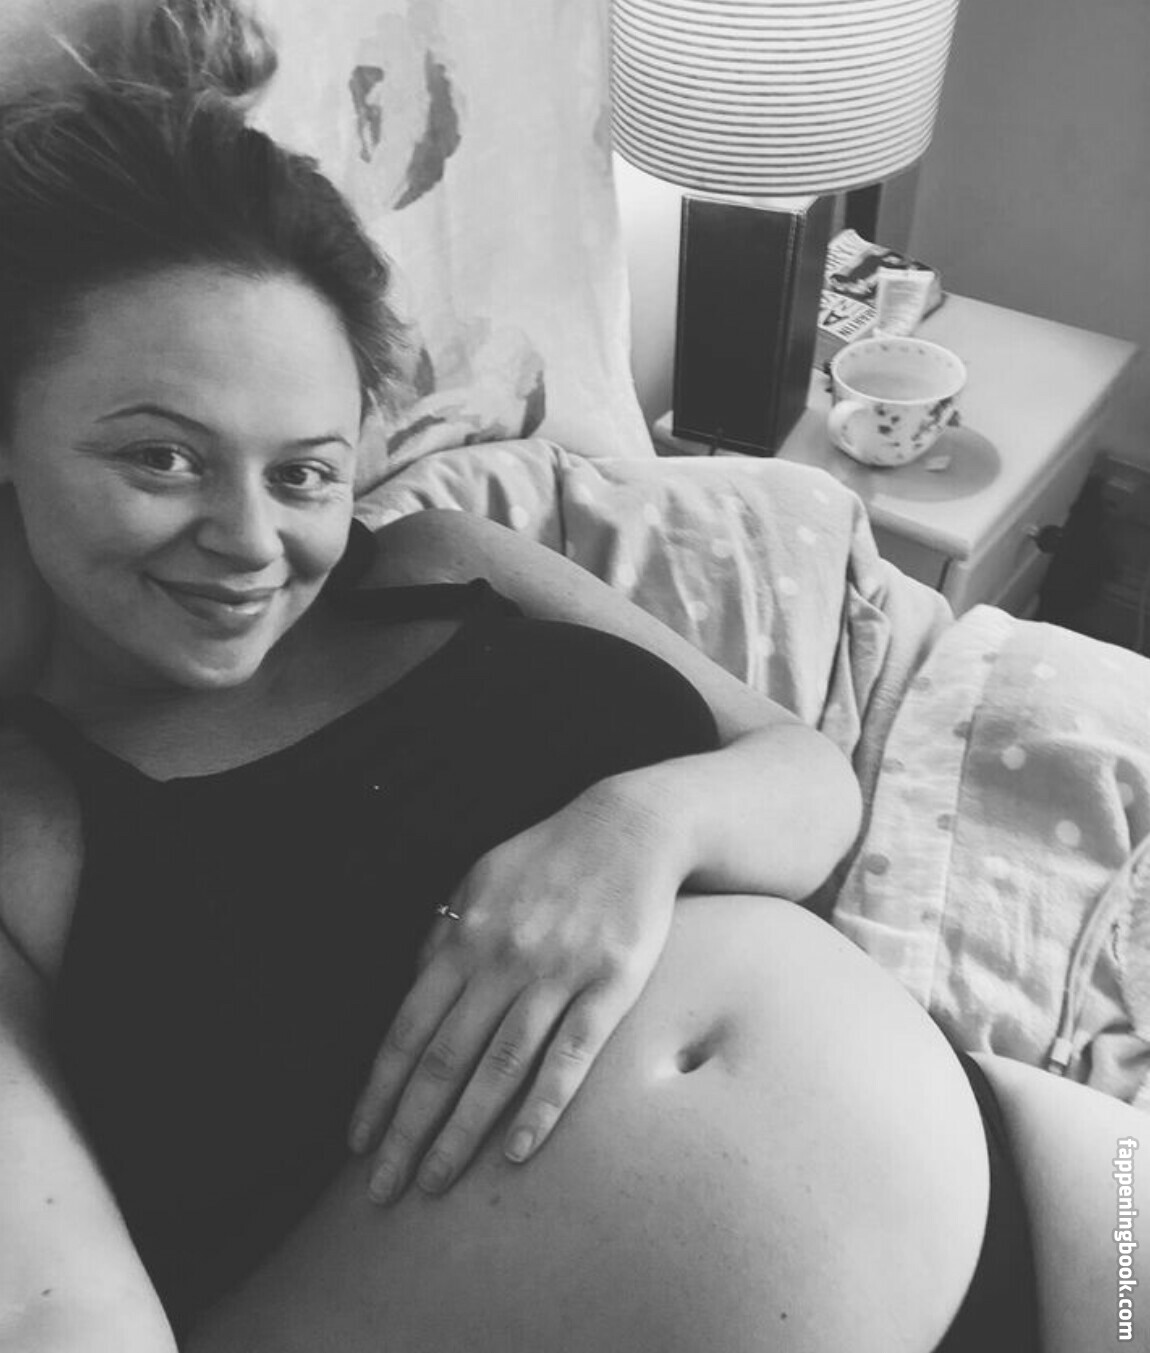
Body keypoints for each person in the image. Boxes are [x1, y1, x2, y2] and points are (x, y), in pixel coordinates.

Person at [0, 4, 1146, 1352]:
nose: (253, 541)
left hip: (1050, 1193)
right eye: (162, 457)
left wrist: (638, 828)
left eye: (304, 470)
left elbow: (806, 776)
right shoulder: (26, 829)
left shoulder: (444, 559)